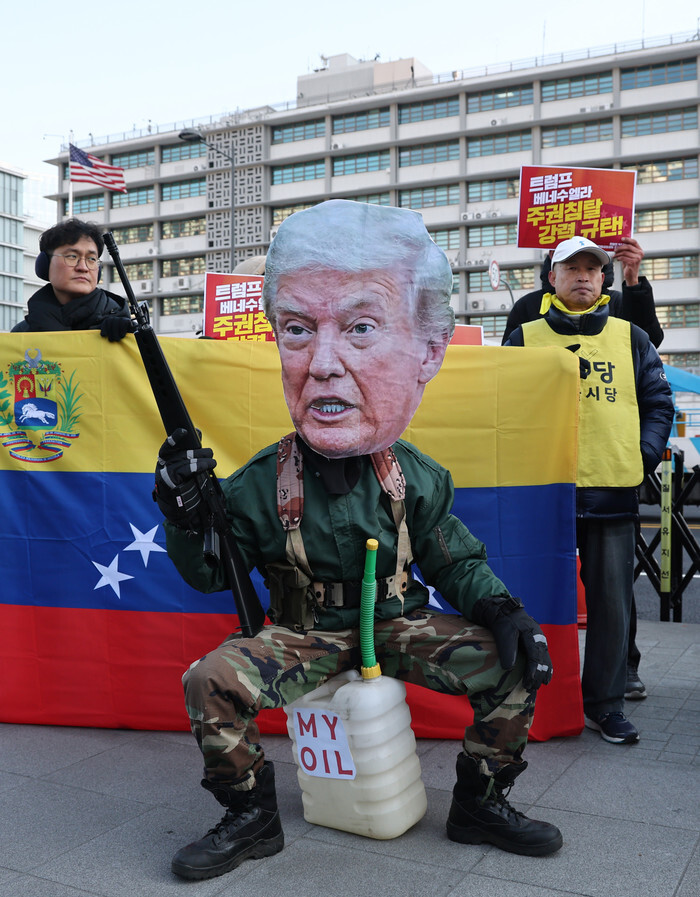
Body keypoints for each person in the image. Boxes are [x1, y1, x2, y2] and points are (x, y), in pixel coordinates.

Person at [154, 200, 563, 881]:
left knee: (516, 660)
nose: (323, 365)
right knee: (211, 679)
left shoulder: (414, 475)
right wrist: (185, 515)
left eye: (361, 329)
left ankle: (481, 800)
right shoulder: (259, 483)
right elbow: (209, 573)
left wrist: (502, 609)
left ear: (425, 351)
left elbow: (454, 558)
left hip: (397, 624)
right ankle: (249, 814)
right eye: (297, 331)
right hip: (303, 634)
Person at [505, 236, 673, 745]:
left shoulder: (631, 336)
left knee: (612, 606)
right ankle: (525, 700)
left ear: (603, 279)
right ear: (551, 278)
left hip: (611, 489)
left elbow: (658, 401)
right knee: (529, 601)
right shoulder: (523, 336)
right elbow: (501, 408)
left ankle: (605, 704)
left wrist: (642, 456)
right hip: (542, 493)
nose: (582, 275)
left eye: (591, 268)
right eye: (571, 267)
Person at [12, 218, 132, 340]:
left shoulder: (126, 331)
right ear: (45, 264)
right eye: (72, 256)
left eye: (91, 259)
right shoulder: (21, 335)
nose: (83, 267)